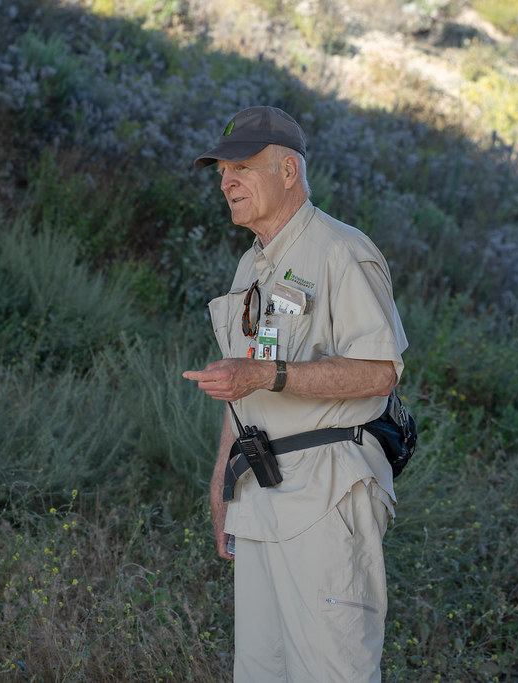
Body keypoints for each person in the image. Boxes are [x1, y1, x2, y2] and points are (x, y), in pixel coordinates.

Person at [182, 107, 408, 681]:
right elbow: (243, 388)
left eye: (241, 168)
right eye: (221, 172)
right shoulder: (249, 268)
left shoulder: (340, 251)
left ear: (288, 170)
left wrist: (266, 375)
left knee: (333, 670)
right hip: (258, 492)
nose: (226, 182)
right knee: (262, 671)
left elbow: (378, 372)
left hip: (327, 492)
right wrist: (220, 486)